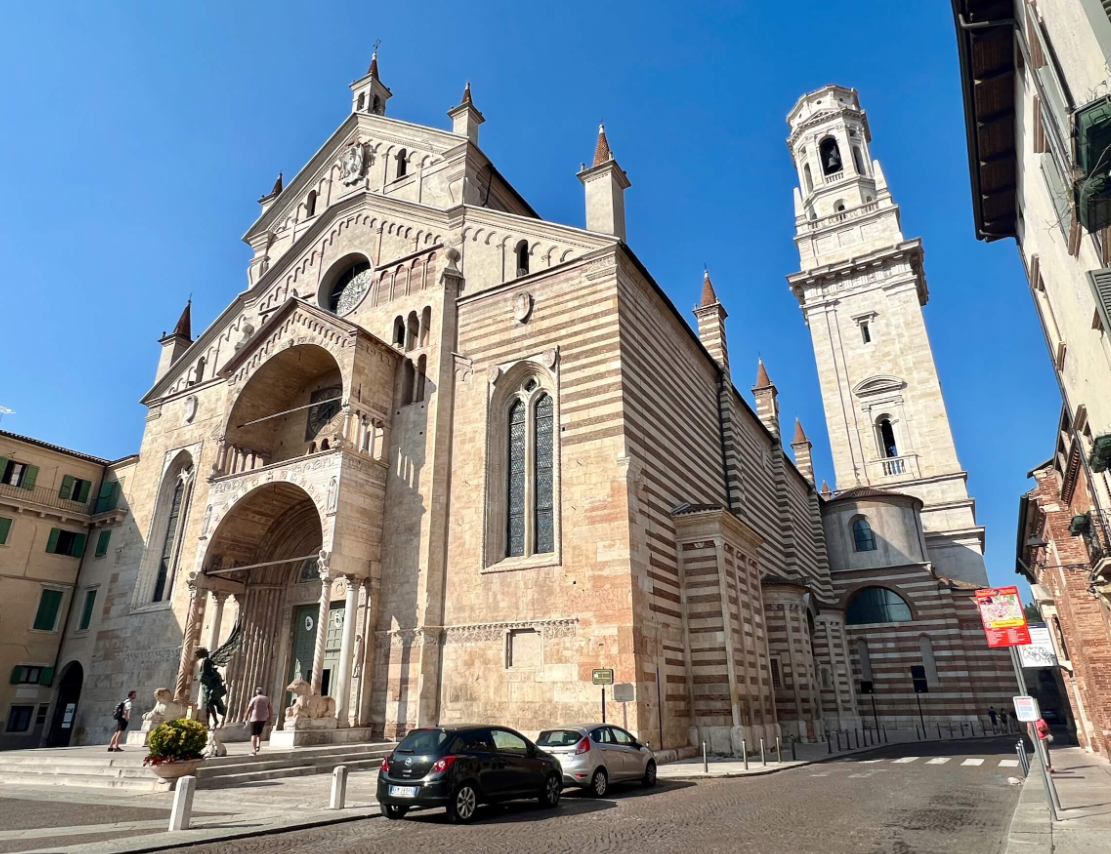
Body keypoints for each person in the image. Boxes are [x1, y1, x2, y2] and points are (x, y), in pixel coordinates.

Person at [243, 687, 271, 756]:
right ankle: (258, 744)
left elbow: (249, 708)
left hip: (254, 718)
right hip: (263, 718)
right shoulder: (266, 699)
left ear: (256, 692)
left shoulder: (254, 699)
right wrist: (270, 718)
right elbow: (270, 709)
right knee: (259, 732)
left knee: (253, 734)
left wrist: (245, 717)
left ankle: (253, 750)